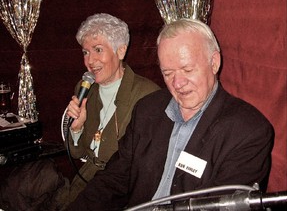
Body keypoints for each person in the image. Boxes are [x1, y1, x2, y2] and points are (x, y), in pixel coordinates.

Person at [66, 18, 274, 210]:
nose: (177, 83)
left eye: (187, 70)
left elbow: (220, 206)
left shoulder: (249, 131)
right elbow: (115, 178)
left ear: (214, 63)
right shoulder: (148, 110)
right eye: (168, 73)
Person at [59, 13, 160, 208]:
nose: (90, 61)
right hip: (84, 181)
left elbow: (146, 168)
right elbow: (76, 153)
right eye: (85, 52)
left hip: (120, 193)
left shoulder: (148, 95)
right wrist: (77, 129)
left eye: (98, 50)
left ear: (121, 51)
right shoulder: (85, 88)